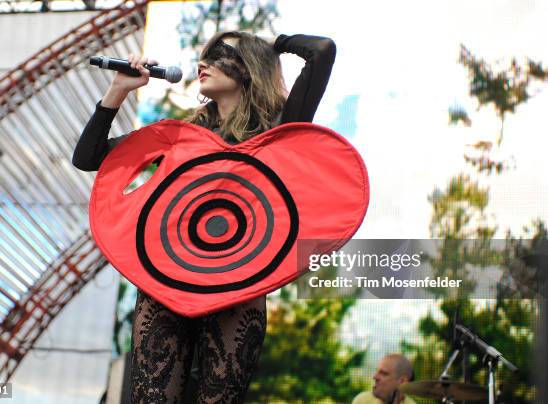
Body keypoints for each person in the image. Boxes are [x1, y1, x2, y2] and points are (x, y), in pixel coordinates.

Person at [72, 30, 336, 403]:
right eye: (205, 55)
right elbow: (88, 158)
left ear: (249, 68)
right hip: (166, 280)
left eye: (220, 54)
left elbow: (322, 51)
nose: (204, 63)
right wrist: (118, 90)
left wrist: (272, 44)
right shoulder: (182, 137)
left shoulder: (279, 131)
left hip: (239, 285)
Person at [352, 354, 417, 404]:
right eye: (377, 371)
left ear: (402, 381)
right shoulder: (362, 400)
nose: (375, 377)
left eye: (383, 373)